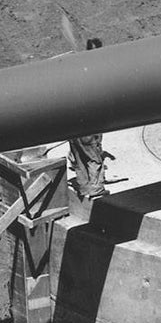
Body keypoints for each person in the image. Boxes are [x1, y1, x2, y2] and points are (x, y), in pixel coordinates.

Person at [68, 38, 113, 201]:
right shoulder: (98, 71)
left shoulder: (79, 71)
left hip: (72, 125)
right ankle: (95, 188)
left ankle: (83, 187)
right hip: (89, 125)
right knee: (94, 157)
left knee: (79, 158)